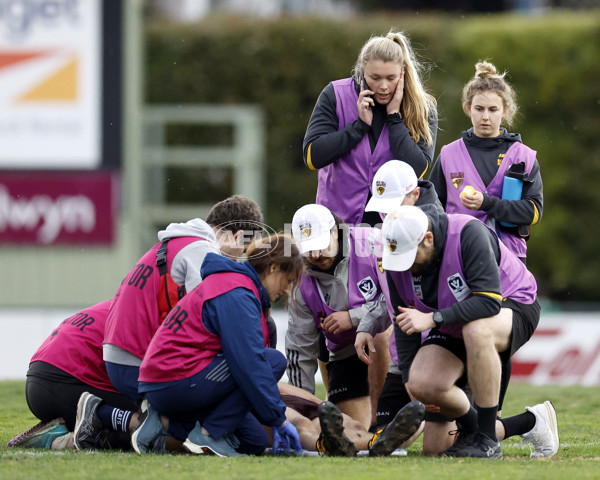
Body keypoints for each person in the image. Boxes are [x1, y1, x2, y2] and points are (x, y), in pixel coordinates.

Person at [381, 205, 557, 458]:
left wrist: (433, 318)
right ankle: (526, 423)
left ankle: (486, 440)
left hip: (512, 303)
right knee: (434, 440)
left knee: (478, 330)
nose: (405, 267)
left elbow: (488, 302)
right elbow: (404, 320)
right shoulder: (396, 262)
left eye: (410, 256)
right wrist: (410, 380)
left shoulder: (467, 233)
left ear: (428, 239)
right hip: (454, 319)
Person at [133, 234, 304, 457]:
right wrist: (279, 420)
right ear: (273, 268)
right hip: (174, 379)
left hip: (168, 380)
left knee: (254, 441)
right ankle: (208, 436)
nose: (286, 290)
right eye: (288, 280)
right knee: (273, 361)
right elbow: (250, 366)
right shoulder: (238, 292)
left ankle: (161, 423)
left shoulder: (235, 285)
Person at [103, 195, 264, 403]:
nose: (237, 261)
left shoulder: (181, 242)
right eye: (242, 252)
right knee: (241, 372)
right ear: (238, 236)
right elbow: (212, 318)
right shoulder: (202, 251)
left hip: (123, 356)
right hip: (136, 362)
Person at [303, 30, 438, 227]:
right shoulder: (335, 94)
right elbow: (312, 157)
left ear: (403, 73)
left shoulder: (422, 107)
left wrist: (394, 118)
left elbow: (418, 169)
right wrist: (358, 128)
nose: (383, 86)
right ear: (361, 72)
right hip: (336, 226)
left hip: (394, 226)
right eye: (375, 77)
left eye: (391, 78)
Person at [285, 204, 389, 430]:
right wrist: (303, 409)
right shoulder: (298, 280)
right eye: (308, 249)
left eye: (321, 245)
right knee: (349, 431)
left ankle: (383, 422)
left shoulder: (373, 241)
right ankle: (375, 430)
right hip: (343, 353)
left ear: (335, 232)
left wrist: (354, 317)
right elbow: (300, 349)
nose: (315, 255)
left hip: (389, 346)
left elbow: (398, 300)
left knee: (379, 335)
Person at [429, 61, 543, 262]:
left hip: (509, 257)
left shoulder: (523, 156)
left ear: (505, 110)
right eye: (479, 109)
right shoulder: (449, 154)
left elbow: (533, 212)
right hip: (458, 255)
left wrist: (486, 203)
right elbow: (431, 207)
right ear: (468, 108)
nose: (485, 117)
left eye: (493, 109)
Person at [6, 301, 139, 450]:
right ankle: (72, 439)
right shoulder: (140, 317)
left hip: (37, 382)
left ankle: (59, 437)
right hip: (67, 385)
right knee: (158, 426)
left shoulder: (120, 306)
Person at [274, 382, 424, 457]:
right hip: (269, 400)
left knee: (351, 424)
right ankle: (324, 445)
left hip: (288, 395)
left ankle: (377, 441)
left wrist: (320, 406)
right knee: (301, 424)